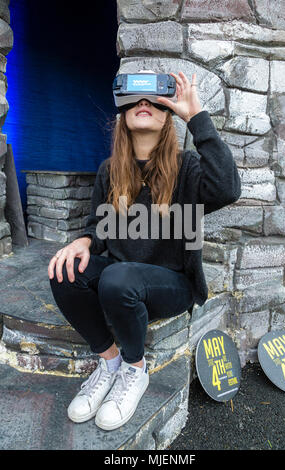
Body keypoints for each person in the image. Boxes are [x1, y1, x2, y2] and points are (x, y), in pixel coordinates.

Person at [48, 71, 241, 431]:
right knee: (65, 269)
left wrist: (195, 115)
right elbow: (99, 230)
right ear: (122, 115)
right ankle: (110, 362)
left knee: (118, 278)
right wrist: (82, 242)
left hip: (173, 284)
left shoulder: (188, 169)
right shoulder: (110, 171)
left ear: (168, 117)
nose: (144, 104)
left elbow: (227, 189)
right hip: (120, 281)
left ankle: (135, 371)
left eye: (155, 101)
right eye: (136, 100)